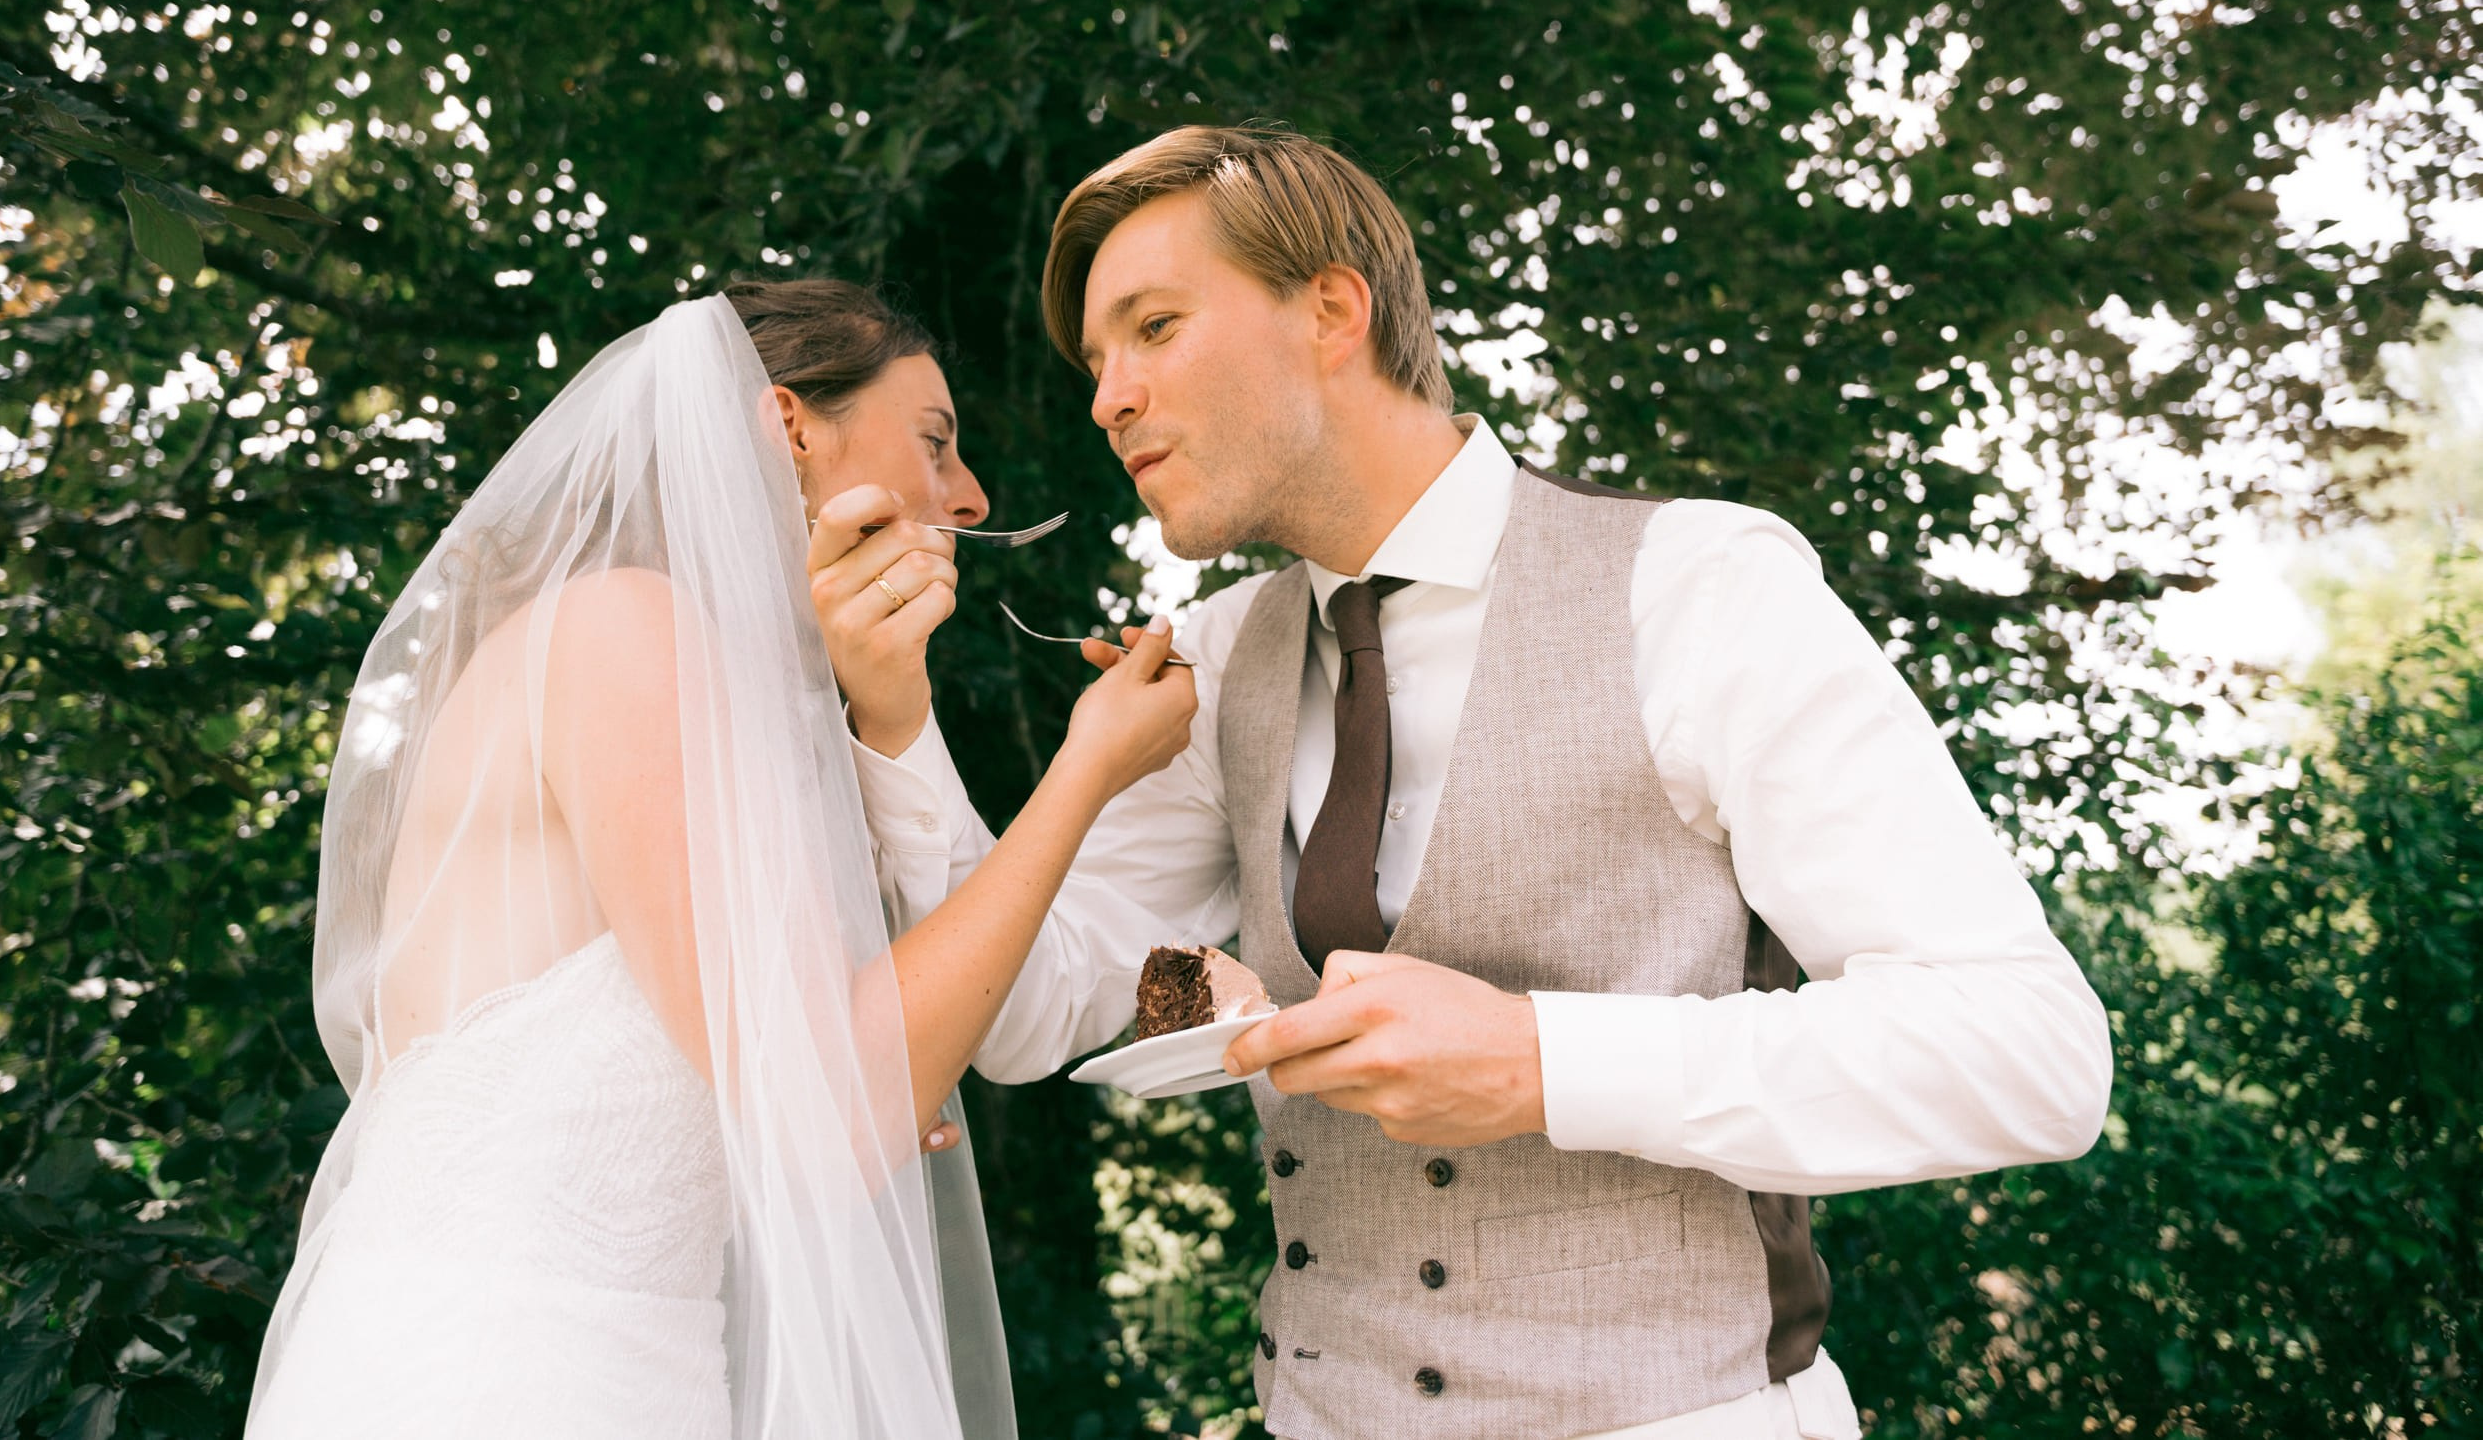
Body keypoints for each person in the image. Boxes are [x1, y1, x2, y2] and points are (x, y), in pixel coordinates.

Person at [850, 127, 2116, 1440]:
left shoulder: (1696, 588)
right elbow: (1018, 1010)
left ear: (1333, 309)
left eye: (1154, 327)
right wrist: (895, 722)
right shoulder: (1221, 662)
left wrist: (1544, 1060)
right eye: (1096, 362)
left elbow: (2028, 1052)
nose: (1107, 396)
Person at [244, 280, 1196, 1440]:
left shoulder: (721, 694)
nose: (971, 494)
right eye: (935, 441)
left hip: (639, 1368)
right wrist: (1085, 767)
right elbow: (828, 1124)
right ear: (792, 426)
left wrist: (877, 1061)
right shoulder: (623, 630)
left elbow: (817, 1086)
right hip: (502, 1372)